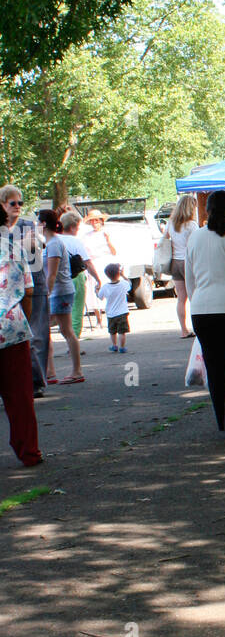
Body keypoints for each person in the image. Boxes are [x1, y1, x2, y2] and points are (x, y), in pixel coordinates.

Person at [185, 190, 225, 430]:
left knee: (214, 368)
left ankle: (222, 421)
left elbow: (189, 280)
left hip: (201, 309)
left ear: (207, 210)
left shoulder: (195, 237)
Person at [0, 201, 42, 465]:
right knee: (20, 397)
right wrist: (22, 317)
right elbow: (28, 291)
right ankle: (28, 451)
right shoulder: (12, 248)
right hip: (12, 328)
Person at [0, 185, 49, 395]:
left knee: (36, 335)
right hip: (7, 291)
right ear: (2, 204)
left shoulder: (28, 225)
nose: (18, 207)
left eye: (20, 203)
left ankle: (36, 381)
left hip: (32, 285)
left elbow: (34, 250)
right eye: (13, 203)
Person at [39, 209, 83, 384]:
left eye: (38, 221)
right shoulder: (49, 243)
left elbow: (52, 273)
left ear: (43, 224)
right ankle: (50, 371)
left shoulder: (54, 244)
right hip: (56, 292)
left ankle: (77, 371)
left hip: (60, 292)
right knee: (44, 329)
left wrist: (46, 294)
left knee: (66, 331)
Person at [59, 211, 101, 340]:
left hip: (59, 278)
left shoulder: (55, 240)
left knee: (62, 310)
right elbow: (87, 262)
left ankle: (66, 335)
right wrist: (97, 279)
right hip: (75, 277)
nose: (78, 230)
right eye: (77, 227)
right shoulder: (76, 242)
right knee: (77, 309)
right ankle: (73, 339)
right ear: (72, 227)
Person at [161, 193, 198, 336]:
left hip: (174, 262)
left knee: (181, 298)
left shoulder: (171, 223)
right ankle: (196, 327)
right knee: (194, 296)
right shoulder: (192, 225)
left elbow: (165, 239)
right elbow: (195, 244)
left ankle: (183, 329)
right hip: (188, 262)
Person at [82, 210, 117, 324]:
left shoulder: (107, 233)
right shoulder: (87, 236)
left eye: (97, 221)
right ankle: (98, 319)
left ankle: (110, 316)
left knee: (107, 288)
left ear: (101, 221)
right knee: (93, 290)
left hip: (105, 262)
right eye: (92, 221)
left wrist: (108, 240)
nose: (94, 223)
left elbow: (114, 251)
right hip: (93, 263)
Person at [96, 263, 130, 352]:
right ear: (118, 273)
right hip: (122, 312)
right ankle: (122, 347)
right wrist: (123, 275)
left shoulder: (105, 287)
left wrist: (96, 290)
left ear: (107, 275)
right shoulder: (123, 284)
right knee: (122, 332)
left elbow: (100, 297)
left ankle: (114, 345)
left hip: (110, 314)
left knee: (112, 331)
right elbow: (129, 284)